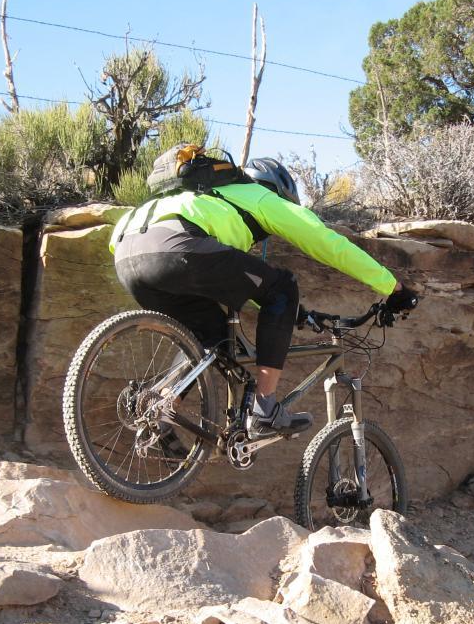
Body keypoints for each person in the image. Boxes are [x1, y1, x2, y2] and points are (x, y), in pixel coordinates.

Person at [109, 155, 418, 439]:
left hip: (127, 257)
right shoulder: (259, 196)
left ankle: (160, 411)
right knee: (283, 287)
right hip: (178, 247)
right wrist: (392, 287)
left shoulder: (199, 196)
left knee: (210, 336)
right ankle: (265, 410)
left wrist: (293, 312)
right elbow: (328, 243)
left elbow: (241, 278)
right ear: (277, 191)